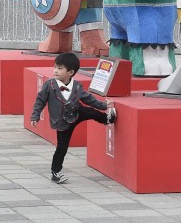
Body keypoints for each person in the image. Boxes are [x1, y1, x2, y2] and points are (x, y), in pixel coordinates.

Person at [30, 52, 117, 184]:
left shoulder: (77, 86)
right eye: (55, 67)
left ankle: (107, 119)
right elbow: (40, 101)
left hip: (76, 112)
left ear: (70, 72)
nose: (55, 71)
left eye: (60, 68)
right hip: (62, 122)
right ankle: (55, 172)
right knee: (62, 147)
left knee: (89, 111)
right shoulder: (50, 85)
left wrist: (104, 105)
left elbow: (88, 99)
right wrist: (35, 115)